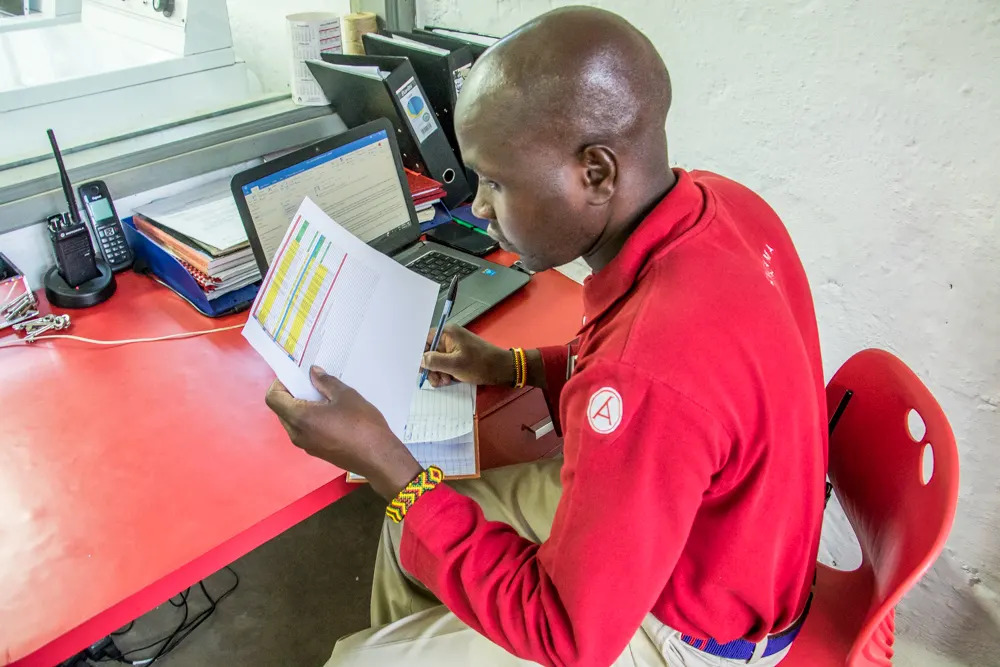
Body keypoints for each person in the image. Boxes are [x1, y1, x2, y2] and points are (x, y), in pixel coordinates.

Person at [265, 6, 827, 666]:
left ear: (596, 173)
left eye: (497, 182)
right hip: (724, 528)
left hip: (696, 626)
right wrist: (516, 365)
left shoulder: (644, 371)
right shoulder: (721, 203)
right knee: (405, 530)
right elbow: (670, 387)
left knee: (359, 652)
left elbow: (569, 637)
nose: (477, 208)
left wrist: (389, 462)